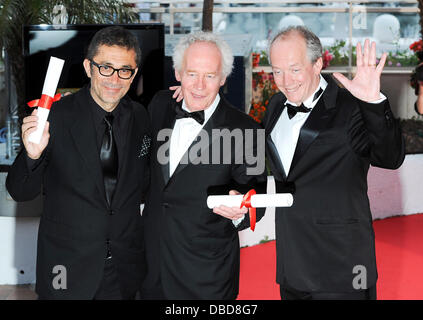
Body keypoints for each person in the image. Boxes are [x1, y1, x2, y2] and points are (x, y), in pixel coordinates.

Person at [6, 26, 151, 299]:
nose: (114, 79)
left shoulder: (141, 117)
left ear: (133, 74)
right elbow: (20, 191)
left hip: (123, 268)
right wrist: (32, 155)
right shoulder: (54, 117)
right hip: (66, 267)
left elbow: (141, 184)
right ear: (88, 67)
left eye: (124, 70)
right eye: (105, 67)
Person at [263, 26, 405, 300]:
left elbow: (390, 156)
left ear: (318, 64)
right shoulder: (275, 106)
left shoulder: (351, 106)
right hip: (292, 265)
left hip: (343, 266)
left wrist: (373, 103)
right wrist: (197, 97)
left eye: (294, 69)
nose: (285, 80)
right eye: (276, 70)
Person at [141, 31, 267, 300]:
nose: (198, 85)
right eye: (191, 74)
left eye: (209, 76)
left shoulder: (248, 130)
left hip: (206, 278)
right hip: (150, 270)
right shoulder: (160, 104)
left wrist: (242, 208)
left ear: (222, 78)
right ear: (177, 73)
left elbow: (260, 199)